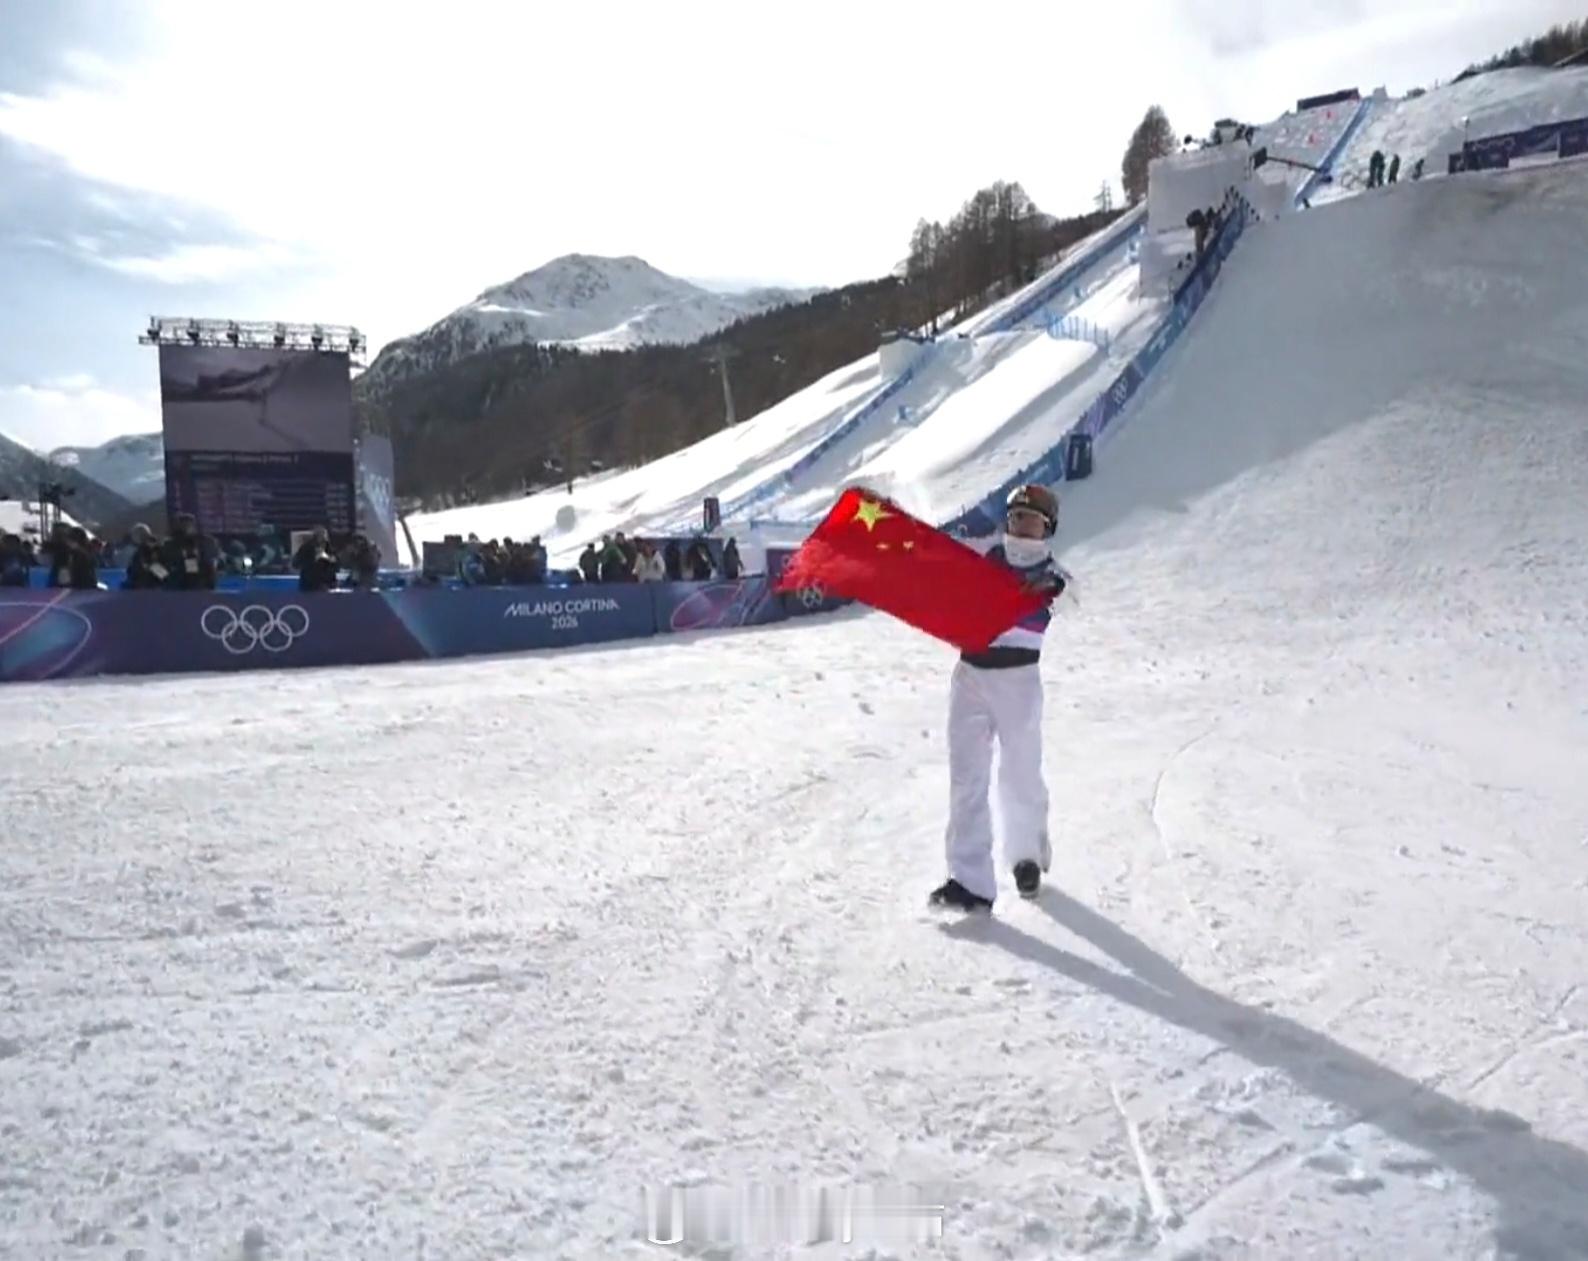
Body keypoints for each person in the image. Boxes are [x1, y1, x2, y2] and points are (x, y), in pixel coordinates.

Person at [930, 483, 1072, 913]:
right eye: (1015, 518)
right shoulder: (985, 560)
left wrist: (1050, 592)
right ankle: (969, 879)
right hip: (972, 674)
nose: (1022, 526)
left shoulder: (1054, 576)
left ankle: (1026, 855)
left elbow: (1068, 603)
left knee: (1020, 771)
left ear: (1047, 528)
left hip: (1019, 680)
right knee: (966, 777)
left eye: (1031, 520)